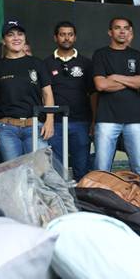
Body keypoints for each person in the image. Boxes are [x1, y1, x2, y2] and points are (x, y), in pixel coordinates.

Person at [93, 17, 140, 189]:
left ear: (130, 32)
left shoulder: (136, 55)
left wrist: (116, 77)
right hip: (107, 119)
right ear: (110, 32)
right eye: (117, 28)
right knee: (102, 169)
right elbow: (101, 85)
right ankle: (100, 207)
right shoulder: (100, 54)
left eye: (126, 28)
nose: (122, 31)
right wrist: (132, 81)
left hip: (134, 119)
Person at [0, 20, 54, 162]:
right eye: (11, 35)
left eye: (20, 34)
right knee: (14, 172)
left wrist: (50, 120)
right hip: (6, 128)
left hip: (35, 126)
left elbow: (47, 93)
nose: (16, 38)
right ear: (3, 40)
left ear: (24, 38)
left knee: (42, 169)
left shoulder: (37, 63)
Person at [45, 21, 95, 180]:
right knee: (56, 168)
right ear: (55, 37)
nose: (66, 38)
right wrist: (48, 120)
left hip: (80, 122)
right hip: (55, 124)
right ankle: (60, 203)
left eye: (70, 34)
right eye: (62, 34)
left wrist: (94, 120)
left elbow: (93, 93)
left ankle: (83, 205)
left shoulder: (86, 63)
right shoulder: (45, 63)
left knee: (81, 168)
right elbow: (44, 94)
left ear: (75, 37)